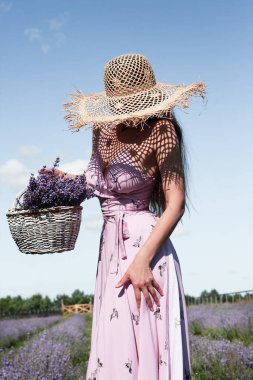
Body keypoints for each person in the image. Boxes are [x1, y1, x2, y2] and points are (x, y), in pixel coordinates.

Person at [41, 53, 206, 379]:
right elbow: (97, 184)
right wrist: (60, 180)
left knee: (140, 349)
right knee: (114, 353)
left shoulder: (163, 131)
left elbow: (175, 203)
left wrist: (143, 260)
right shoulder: (102, 130)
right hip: (110, 251)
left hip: (146, 248)